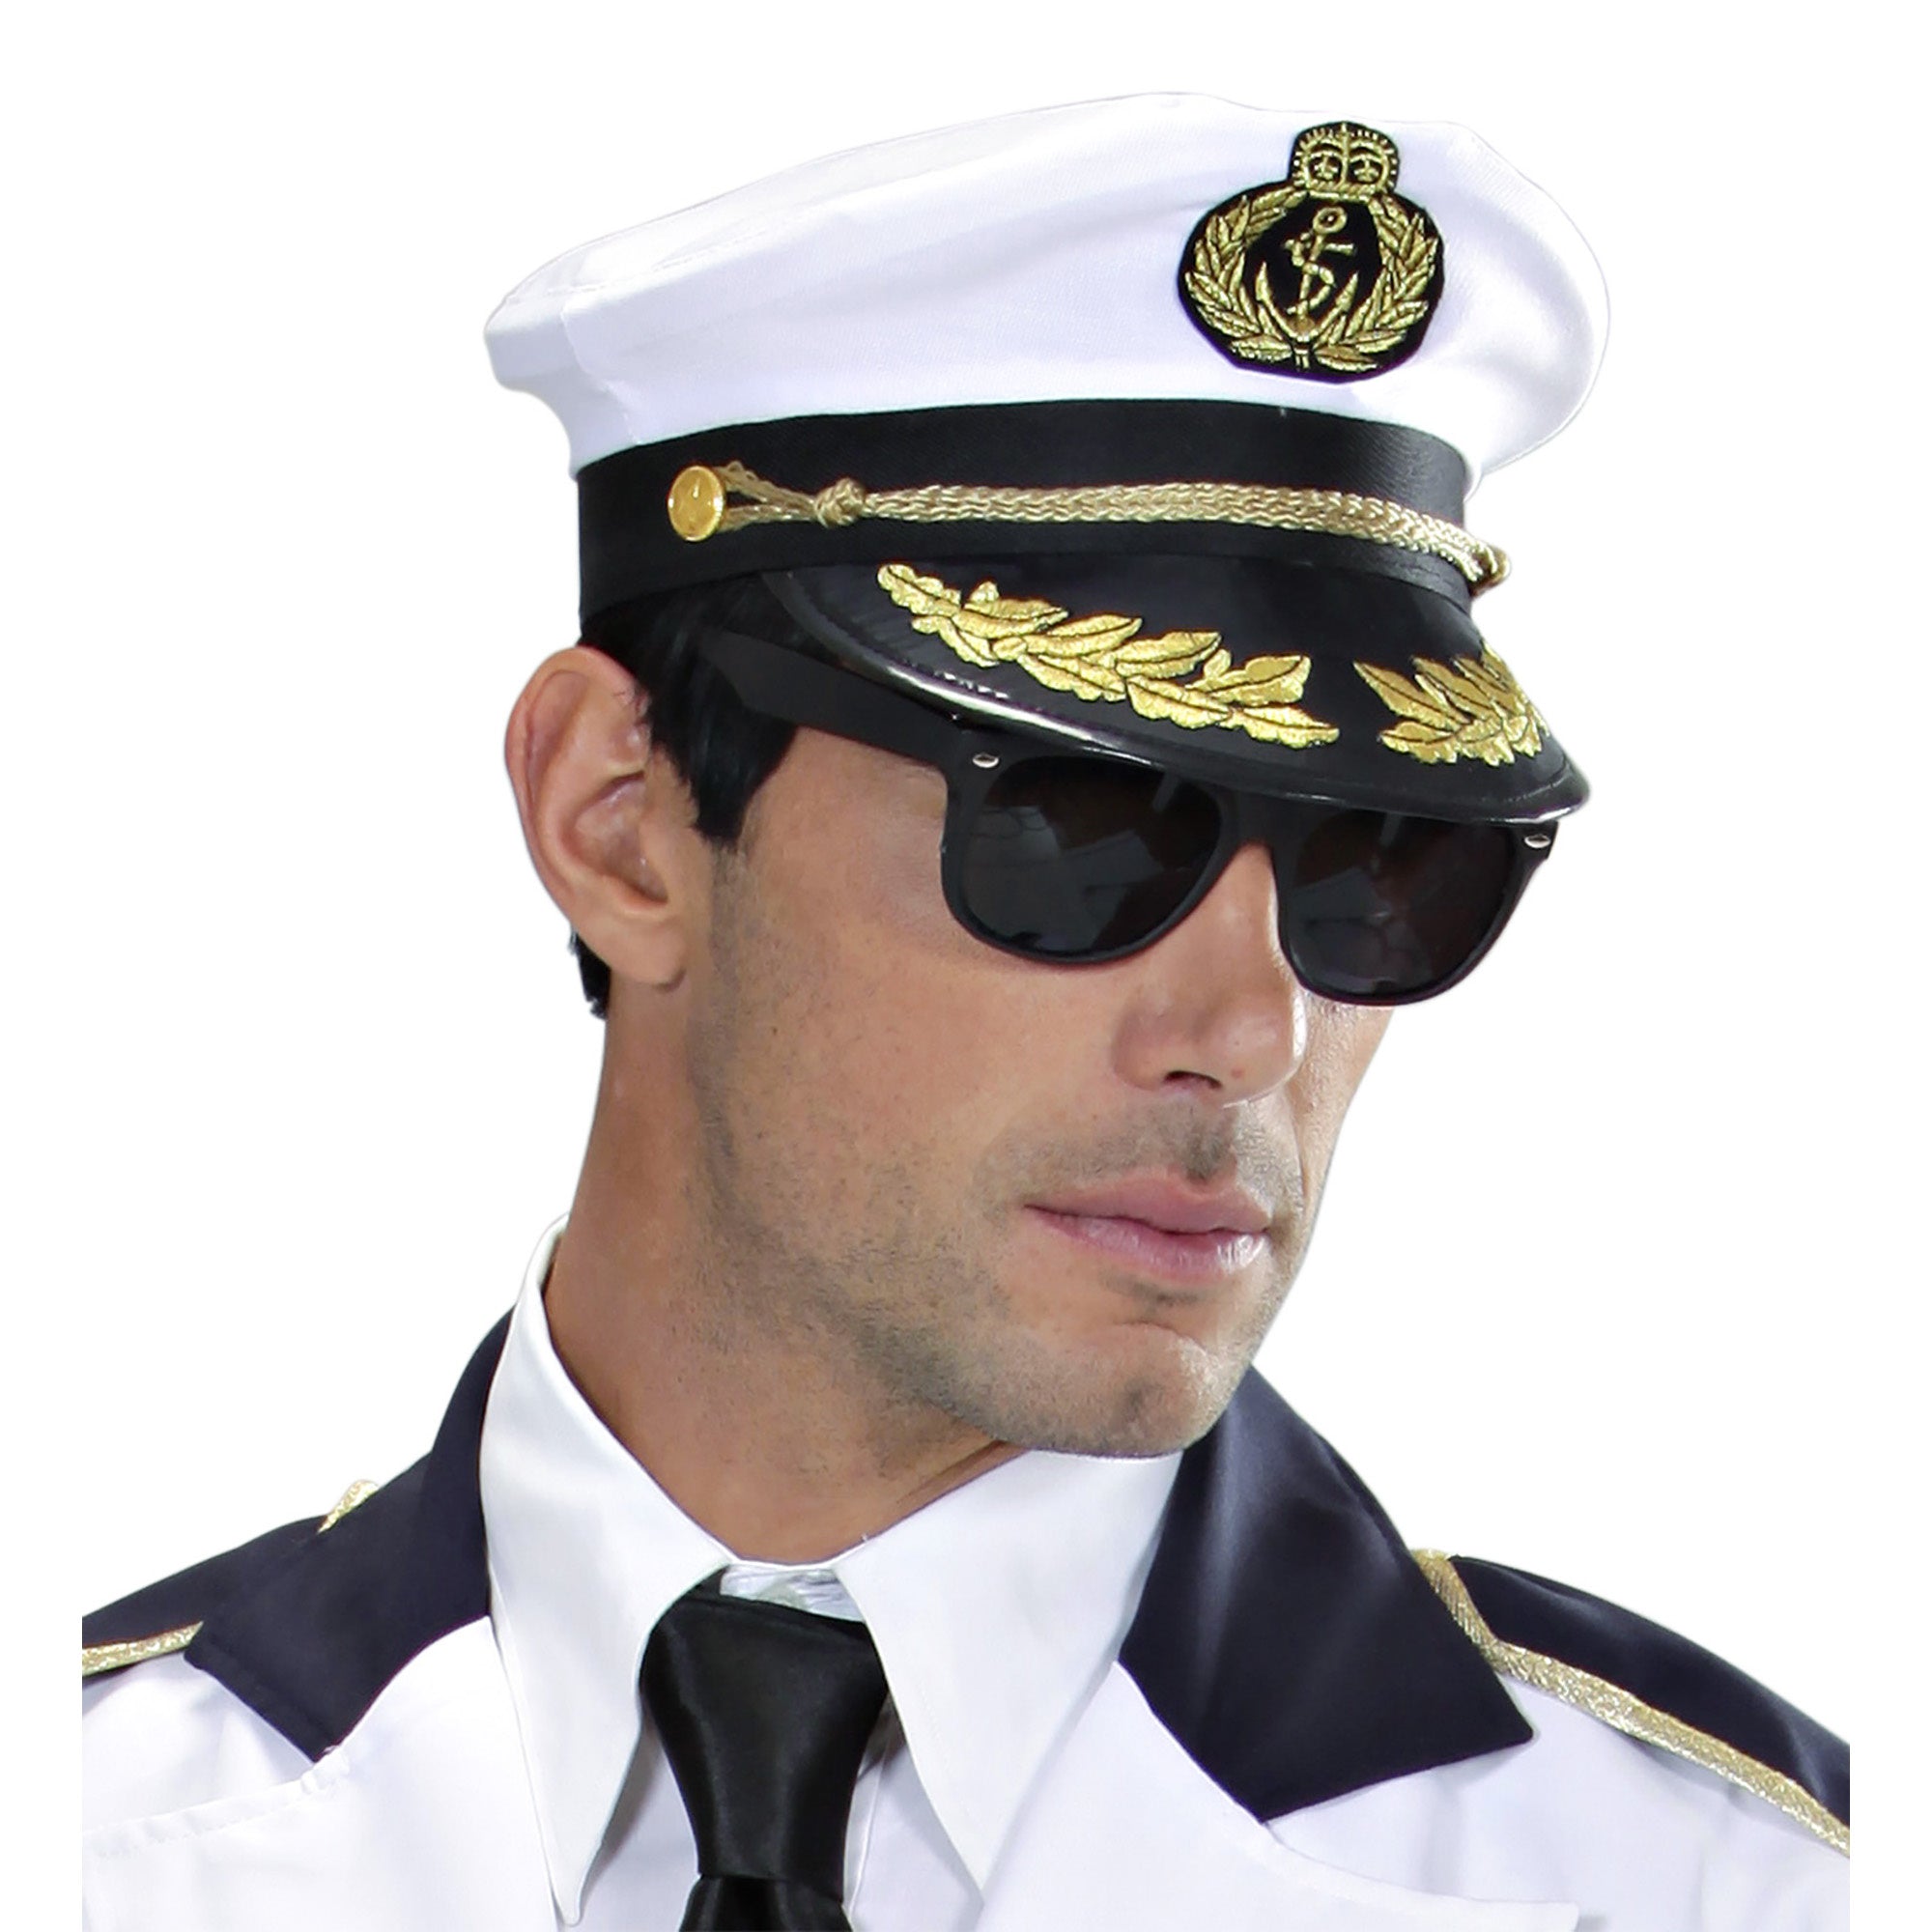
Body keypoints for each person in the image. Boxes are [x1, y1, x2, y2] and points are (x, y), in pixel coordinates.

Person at [79, 97, 1849, 1931]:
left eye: (1384, 867)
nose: (1253, 1030)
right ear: (618, 819)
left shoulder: (1737, 1891)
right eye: (1082, 831)